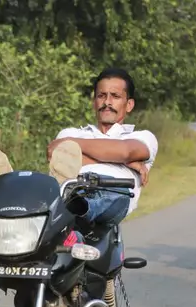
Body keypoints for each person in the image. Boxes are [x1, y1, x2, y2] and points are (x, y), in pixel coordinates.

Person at [45, 67, 158, 229]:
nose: (107, 102)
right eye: (101, 96)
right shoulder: (71, 132)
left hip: (112, 194)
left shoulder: (142, 137)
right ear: (94, 102)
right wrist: (124, 163)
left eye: (116, 96)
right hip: (69, 189)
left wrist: (73, 147)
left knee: (107, 195)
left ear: (129, 104)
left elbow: (125, 152)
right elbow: (53, 153)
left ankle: (78, 208)